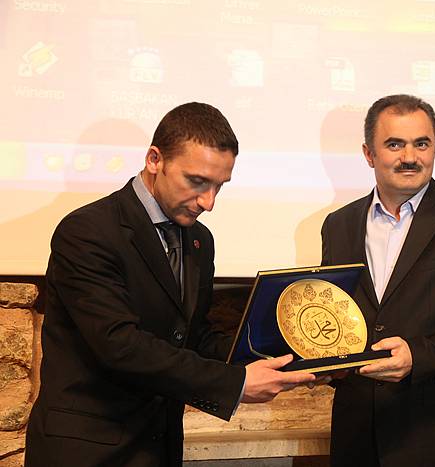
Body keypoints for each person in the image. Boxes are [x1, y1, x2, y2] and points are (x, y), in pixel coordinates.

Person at [24, 102, 314, 467]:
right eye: (197, 182)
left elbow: (193, 337)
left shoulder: (199, 240)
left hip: (157, 448)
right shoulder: (87, 232)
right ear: (154, 160)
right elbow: (119, 345)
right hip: (87, 452)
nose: (208, 202)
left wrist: (280, 353)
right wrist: (235, 383)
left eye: (219, 186)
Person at [320, 94, 435, 467]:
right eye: (395, 145)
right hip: (358, 434)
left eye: (421, 144)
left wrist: (416, 356)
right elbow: (335, 311)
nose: (410, 157)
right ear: (369, 154)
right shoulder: (338, 225)